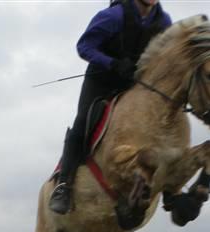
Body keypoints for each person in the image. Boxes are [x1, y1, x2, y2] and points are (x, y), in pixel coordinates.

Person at [49, 0, 173, 215]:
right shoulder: (113, 16)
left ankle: (173, 189)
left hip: (135, 84)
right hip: (102, 81)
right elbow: (84, 47)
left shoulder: (164, 21)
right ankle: (64, 185)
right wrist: (112, 63)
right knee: (83, 122)